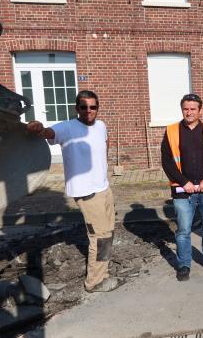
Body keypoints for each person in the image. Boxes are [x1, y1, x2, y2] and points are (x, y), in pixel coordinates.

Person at [26, 90, 122, 292]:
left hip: (104, 187)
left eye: (93, 107)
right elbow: (48, 133)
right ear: (76, 108)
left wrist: (105, 173)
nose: (89, 111)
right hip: (86, 191)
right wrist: (38, 127)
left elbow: (104, 145)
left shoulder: (101, 126)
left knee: (108, 233)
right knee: (100, 235)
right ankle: (94, 282)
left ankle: (102, 272)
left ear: (98, 108)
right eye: (83, 107)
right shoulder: (68, 127)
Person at [161, 93, 203, 281]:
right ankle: (183, 265)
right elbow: (167, 161)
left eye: (192, 109)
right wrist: (184, 182)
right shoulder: (172, 131)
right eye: (185, 109)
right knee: (183, 231)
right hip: (183, 192)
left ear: (200, 110)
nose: (188, 112)